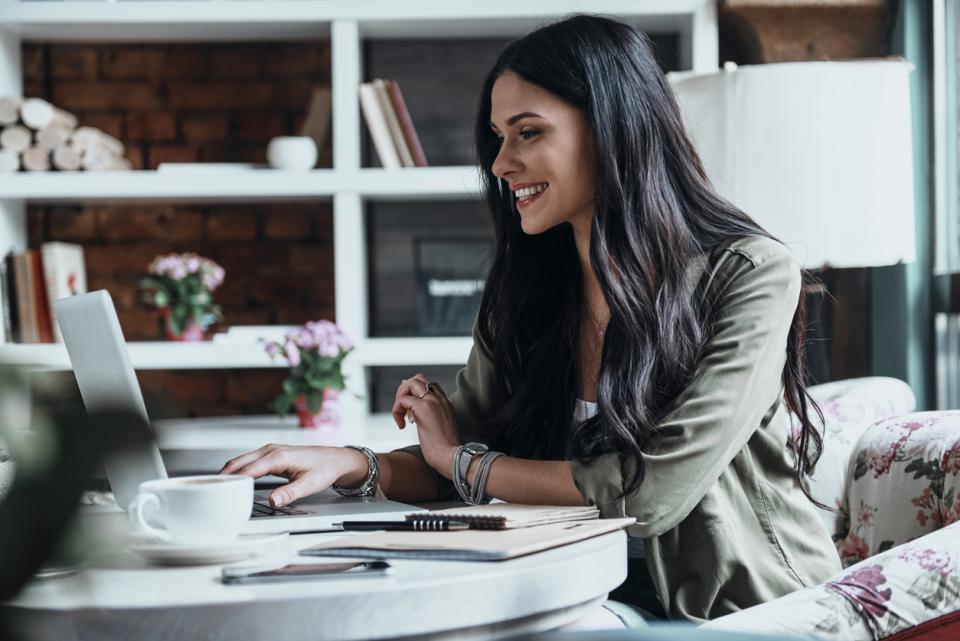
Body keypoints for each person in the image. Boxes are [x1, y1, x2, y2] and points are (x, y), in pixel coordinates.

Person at [220, 14, 841, 625]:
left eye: (528, 133)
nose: (500, 163)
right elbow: (454, 459)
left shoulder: (750, 273)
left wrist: (462, 461)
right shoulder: (530, 289)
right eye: (498, 137)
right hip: (577, 591)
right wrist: (349, 463)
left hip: (739, 612)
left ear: (611, 129)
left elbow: (650, 494)